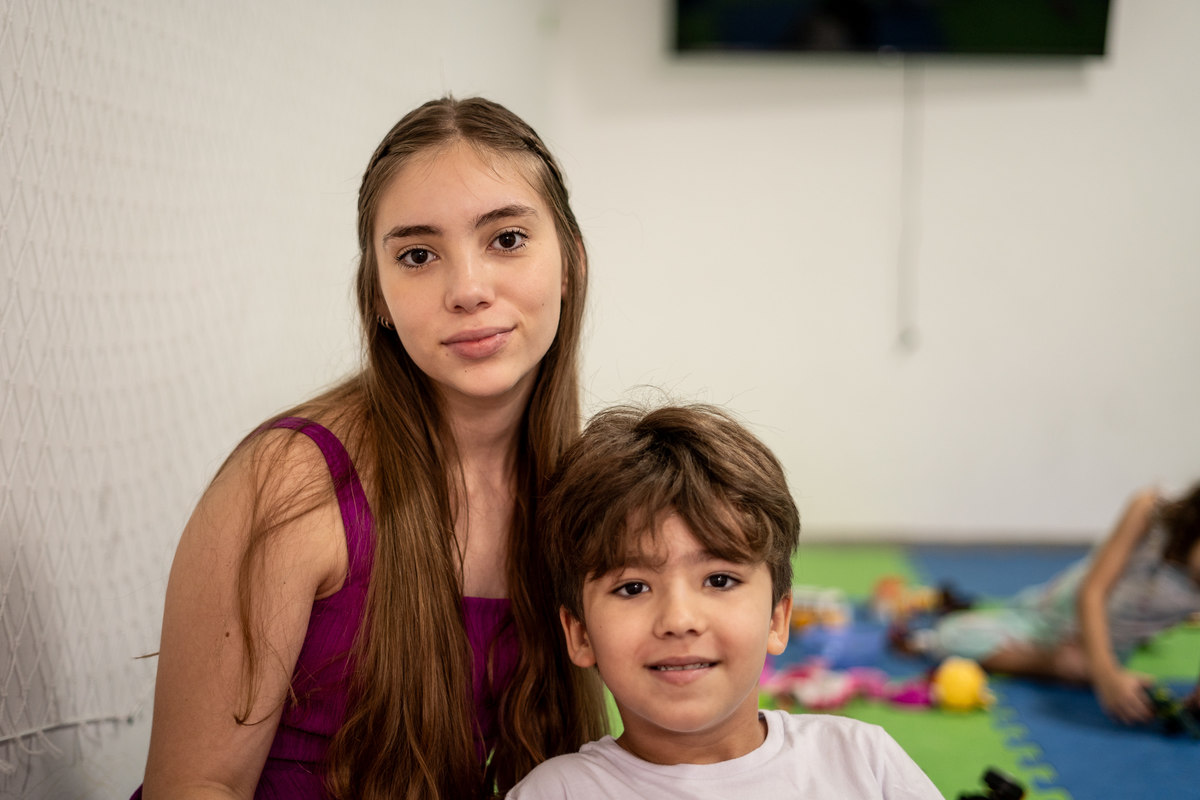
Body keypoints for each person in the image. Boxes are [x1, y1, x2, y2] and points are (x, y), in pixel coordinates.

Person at [134, 96, 608, 800]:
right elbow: (193, 786)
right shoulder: (291, 482)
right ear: (378, 296)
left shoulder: (582, 496)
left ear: (570, 263)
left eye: (506, 239)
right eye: (418, 255)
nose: (467, 289)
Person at [509, 404, 942, 799]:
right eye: (633, 588)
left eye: (719, 580)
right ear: (580, 634)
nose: (679, 619)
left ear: (777, 619)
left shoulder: (862, 761)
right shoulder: (555, 793)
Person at [903, 483, 1200, 725]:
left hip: (1111, 642)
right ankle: (1052, 658)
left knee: (1084, 668)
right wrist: (1106, 676)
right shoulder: (1149, 512)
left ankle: (1070, 660)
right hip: (1061, 613)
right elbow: (1092, 592)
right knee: (952, 637)